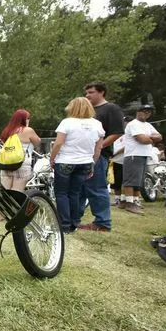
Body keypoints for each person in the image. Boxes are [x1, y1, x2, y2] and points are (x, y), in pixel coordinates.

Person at [49, 97, 104, 233]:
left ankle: (64, 224)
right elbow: (98, 148)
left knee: (62, 193)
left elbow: (58, 143)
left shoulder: (67, 122)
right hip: (85, 162)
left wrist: (52, 158)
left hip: (66, 161)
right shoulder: (97, 124)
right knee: (75, 193)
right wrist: (93, 163)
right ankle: (74, 222)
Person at [79, 81, 124, 231]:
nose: (87, 95)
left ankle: (103, 222)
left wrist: (99, 146)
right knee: (80, 187)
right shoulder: (88, 110)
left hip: (99, 156)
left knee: (97, 187)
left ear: (101, 92)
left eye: (91, 92)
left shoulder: (111, 108)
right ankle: (74, 218)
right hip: (81, 155)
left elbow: (117, 132)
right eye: (86, 93)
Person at [0, 109, 40, 220]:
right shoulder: (27, 130)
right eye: (28, 118)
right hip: (22, 163)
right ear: (24, 119)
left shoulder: (7, 130)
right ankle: (12, 215)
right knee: (17, 191)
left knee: (5, 190)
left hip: (6, 163)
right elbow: (37, 142)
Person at [119, 104, 162, 215]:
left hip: (143, 154)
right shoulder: (133, 124)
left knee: (139, 180)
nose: (147, 113)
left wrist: (150, 138)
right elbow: (142, 140)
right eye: (144, 111)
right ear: (138, 112)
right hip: (133, 154)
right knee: (131, 179)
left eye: (149, 112)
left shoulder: (148, 125)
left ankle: (135, 201)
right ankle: (129, 202)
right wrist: (152, 139)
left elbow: (160, 137)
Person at [110, 117, 130, 206]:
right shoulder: (117, 132)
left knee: (124, 180)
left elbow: (126, 147)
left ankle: (124, 199)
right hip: (115, 160)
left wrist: (115, 153)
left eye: (125, 122)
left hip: (125, 160)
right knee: (116, 180)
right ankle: (117, 199)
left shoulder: (128, 134)